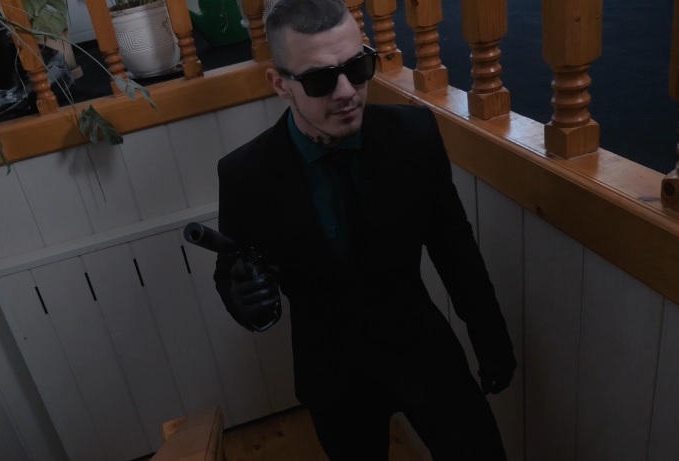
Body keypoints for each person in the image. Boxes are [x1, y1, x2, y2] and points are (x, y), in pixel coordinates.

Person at [213, 0, 516, 459]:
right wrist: (241, 299)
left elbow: (455, 248)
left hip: (422, 349)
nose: (346, 92)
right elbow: (233, 271)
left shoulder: (414, 136)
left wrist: (490, 338)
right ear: (279, 84)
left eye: (357, 68)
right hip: (333, 372)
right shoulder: (245, 175)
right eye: (319, 80)